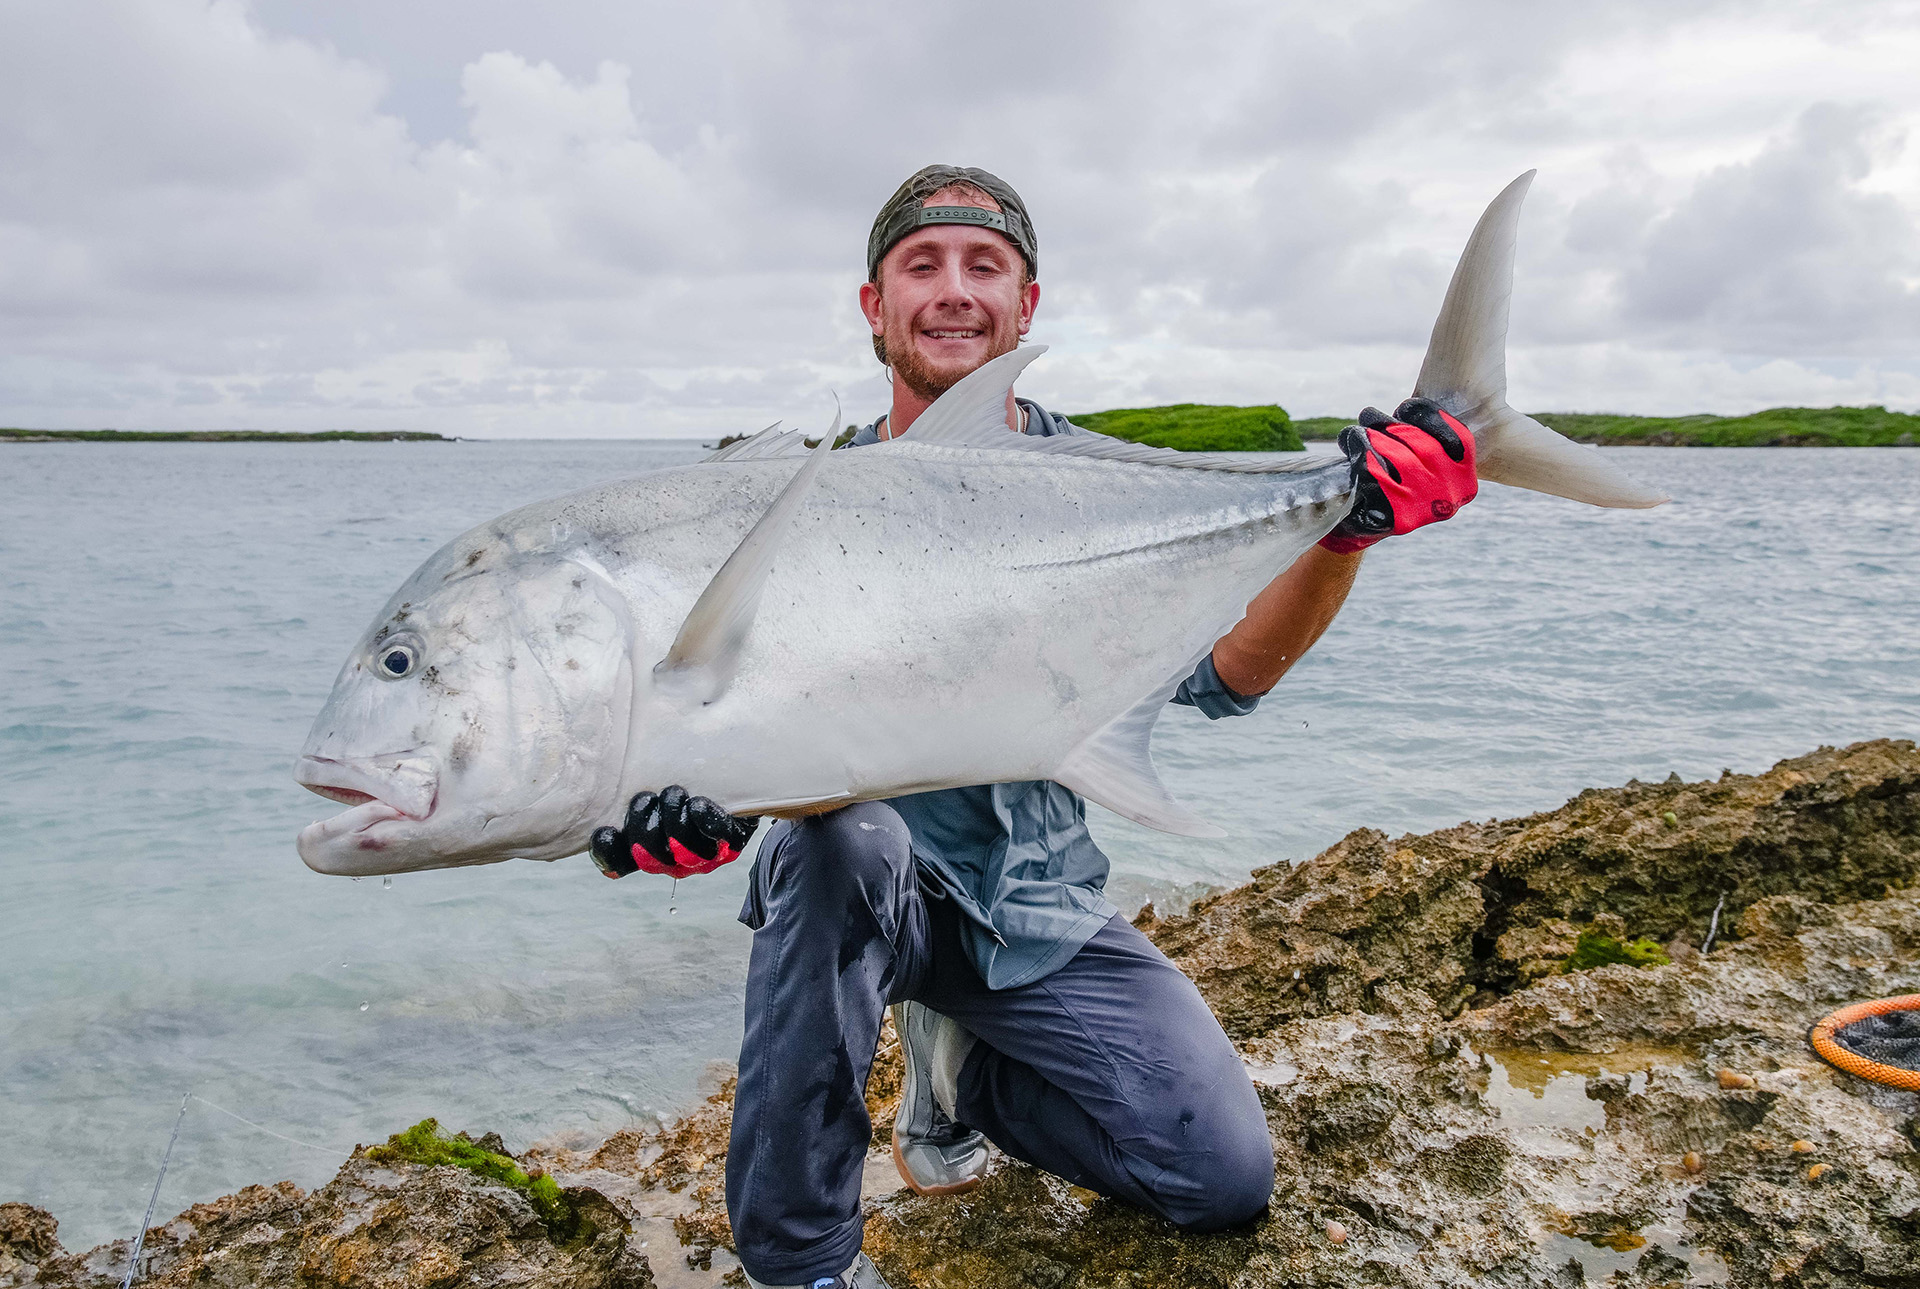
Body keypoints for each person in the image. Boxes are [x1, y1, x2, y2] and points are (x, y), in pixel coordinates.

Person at [589, 165, 1480, 1289]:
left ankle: (965, 1078)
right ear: (874, 305)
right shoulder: (802, 506)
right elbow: (752, 723)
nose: (954, 291)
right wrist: (693, 796)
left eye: (984, 266)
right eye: (922, 266)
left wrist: (1341, 532)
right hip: (871, 896)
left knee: (1222, 1176)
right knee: (837, 844)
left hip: (1039, 904)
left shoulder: (1094, 482)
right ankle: (798, 1262)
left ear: (1028, 303)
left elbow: (1228, 674)